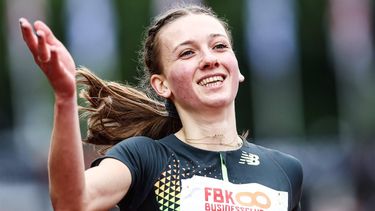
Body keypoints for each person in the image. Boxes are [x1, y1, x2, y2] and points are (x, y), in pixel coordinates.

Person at [20, 4, 303, 211]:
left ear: (237, 68)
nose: (209, 59)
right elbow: (71, 203)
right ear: (162, 85)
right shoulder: (145, 158)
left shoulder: (285, 170)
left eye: (219, 46)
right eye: (187, 52)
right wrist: (65, 97)